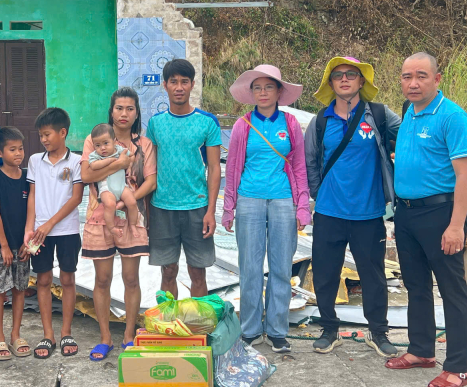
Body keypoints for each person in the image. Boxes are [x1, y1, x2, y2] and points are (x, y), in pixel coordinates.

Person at [385, 52, 467, 387]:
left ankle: (457, 368)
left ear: (437, 79)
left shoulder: (452, 117)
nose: (413, 83)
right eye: (407, 76)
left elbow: (465, 175)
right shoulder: (409, 113)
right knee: (416, 285)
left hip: (440, 213)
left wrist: (456, 226)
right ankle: (421, 350)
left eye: (421, 76)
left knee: (452, 290)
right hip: (407, 213)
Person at [303, 56, 401, 358]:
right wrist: (321, 195)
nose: (344, 79)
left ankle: (379, 332)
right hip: (330, 213)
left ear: (361, 82)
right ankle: (329, 330)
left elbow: (411, 136)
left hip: (369, 213)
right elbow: (310, 162)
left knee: (373, 275)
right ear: (331, 84)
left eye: (351, 74)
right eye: (338, 76)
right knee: (325, 273)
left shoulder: (382, 116)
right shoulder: (321, 121)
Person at [222, 65, 311, 353]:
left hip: (283, 200)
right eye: (257, 88)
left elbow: (298, 166)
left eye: (268, 87)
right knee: (249, 268)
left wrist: (302, 207)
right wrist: (228, 207)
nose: (262, 92)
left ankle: (277, 330)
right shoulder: (242, 125)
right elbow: (233, 167)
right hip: (249, 199)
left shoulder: (290, 124)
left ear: (278, 92)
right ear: (251, 93)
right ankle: (250, 329)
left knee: (282, 267)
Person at [80, 88, 157, 359]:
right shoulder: (95, 139)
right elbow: (86, 173)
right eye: (119, 108)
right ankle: (104, 338)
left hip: (132, 219)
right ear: (111, 111)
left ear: (137, 113)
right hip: (100, 218)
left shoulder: (144, 145)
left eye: (130, 109)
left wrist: (126, 202)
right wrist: (120, 162)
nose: (124, 114)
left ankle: (128, 335)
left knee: (131, 278)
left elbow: (150, 180)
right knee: (102, 279)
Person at [146, 59, 222, 299]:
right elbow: (150, 168)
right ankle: (168, 327)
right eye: (174, 82)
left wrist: (211, 210)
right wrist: (146, 211)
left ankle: (198, 326)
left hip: (197, 208)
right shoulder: (155, 124)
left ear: (192, 85)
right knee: (168, 271)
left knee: (198, 273)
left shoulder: (207, 122)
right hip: (162, 208)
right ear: (165, 85)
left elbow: (214, 168)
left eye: (184, 82)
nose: (179, 87)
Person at [24, 107, 83, 359]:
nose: (44, 140)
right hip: (39, 233)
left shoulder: (77, 161)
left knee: (68, 280)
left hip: (67, 230)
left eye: (48, 134)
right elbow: (32, 196)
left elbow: (76, 198)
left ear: (63, 132)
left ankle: (66, 332)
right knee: (43, 280)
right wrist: (30, 227)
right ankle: (48, 334)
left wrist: (51, 224)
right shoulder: (35, 161)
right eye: (41, 136)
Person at [0, 126, 32, 360]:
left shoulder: (27, 178)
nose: (18, 154)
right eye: (12, 149)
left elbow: (33, 210)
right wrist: (3, 245)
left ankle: (15, 335)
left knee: (20, 289)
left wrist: (28, 243)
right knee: (0, 291)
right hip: (0, 246)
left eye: (21, 149)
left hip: (22, 246)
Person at [87, 123, 140, 239]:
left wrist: (129, 166)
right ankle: (111, 228)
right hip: (106, 189)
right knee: (110, 205)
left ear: (114, 141)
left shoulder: (119, 150)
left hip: (121, 186)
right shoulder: (95, 156)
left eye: (106, 143)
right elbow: (94, 166)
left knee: (132, 202)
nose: (103, 148)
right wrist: (112, 161)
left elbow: (131, 155)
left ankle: (132, 225)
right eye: (98, 145)